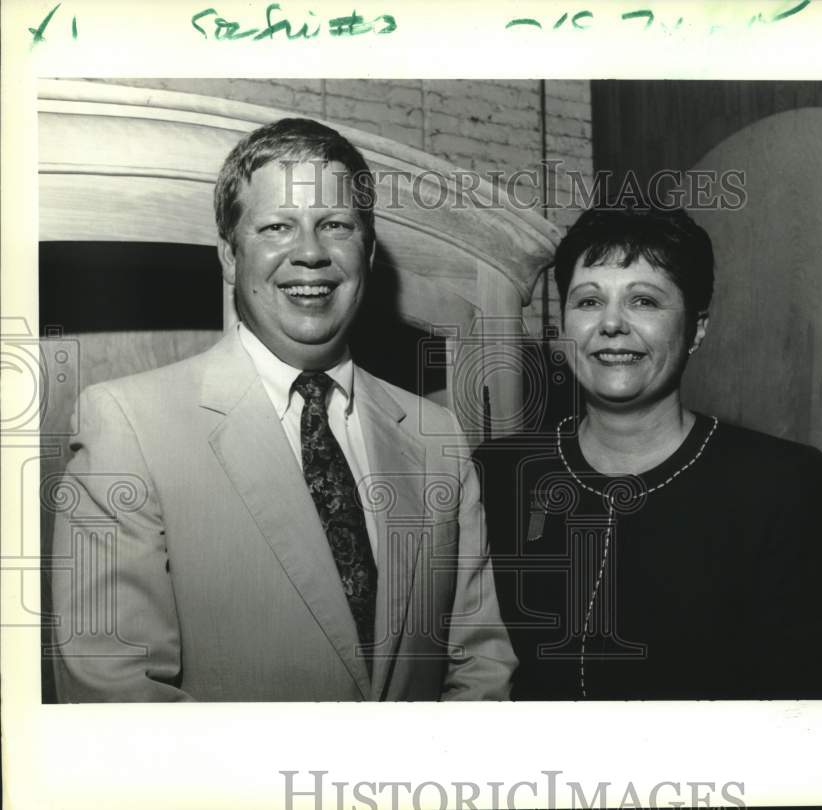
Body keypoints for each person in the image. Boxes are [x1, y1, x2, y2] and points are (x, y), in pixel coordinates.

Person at [50, 118, 516, 702]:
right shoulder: (127, 424)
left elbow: (481, 665)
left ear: (367, 252)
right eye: (277, 227)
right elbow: (114, 696)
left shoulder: (437, 435)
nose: (311, 253)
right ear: (228, 256)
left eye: (335, 226)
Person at [476, 207, 822, 700]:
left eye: (644, 301)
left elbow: (818, 701)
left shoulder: (779, 483)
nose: (611, 323)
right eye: (589, 301)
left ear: (697, 329)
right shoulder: (498, 475)